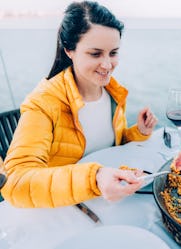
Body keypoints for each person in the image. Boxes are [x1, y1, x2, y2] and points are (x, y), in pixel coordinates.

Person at [1, 1, 158, 208]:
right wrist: (94, 178)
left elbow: (109, 146)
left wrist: (138, 132)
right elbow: (15, 182)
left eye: (113, 53)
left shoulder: (114, 93)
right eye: (95, 54)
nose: (107, 64)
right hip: (63, 210)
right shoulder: (43, 102)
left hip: (109, 203)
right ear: (69, 50)